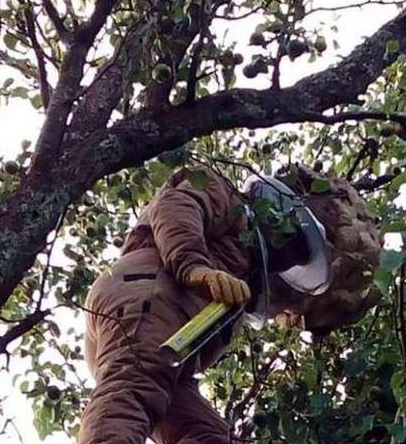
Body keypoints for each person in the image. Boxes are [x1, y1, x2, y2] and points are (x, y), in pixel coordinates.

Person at [79, 164, 381, 444]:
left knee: (205, 433)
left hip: (176, 348)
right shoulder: (223, 194)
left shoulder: (248, 271)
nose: (291, 257)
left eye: (301, 256)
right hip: (150, 295)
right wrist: (193, 267)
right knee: (133, 390)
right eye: (297, 244)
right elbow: (177, 205)